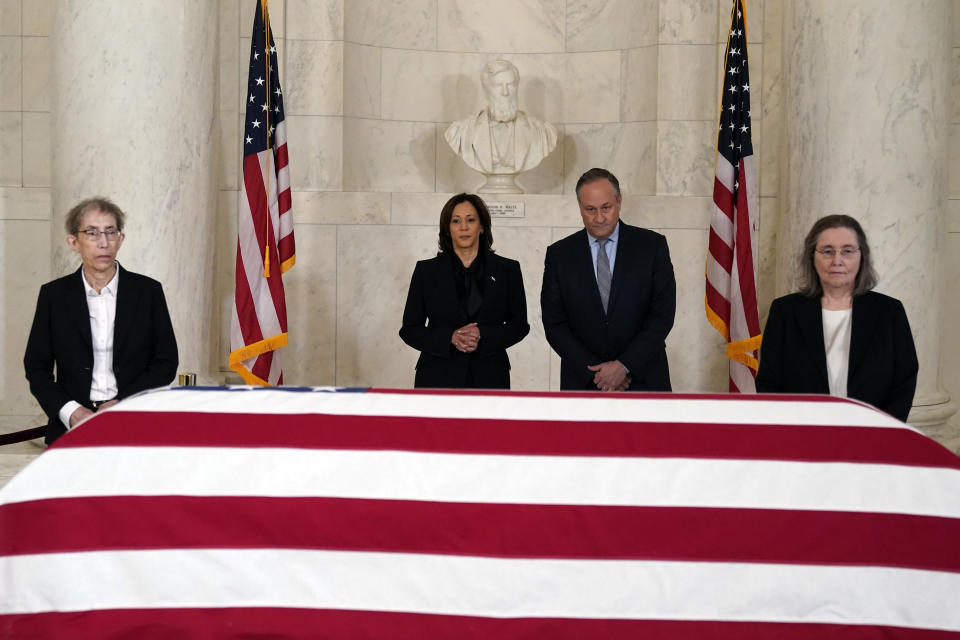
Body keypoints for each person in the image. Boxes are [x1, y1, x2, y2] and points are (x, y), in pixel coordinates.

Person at [23, 197, 178, 444]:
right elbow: (36, 367)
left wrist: (122, 403)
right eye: (92, 233)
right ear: (74, 242)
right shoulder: (54, 295)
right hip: (70, 428)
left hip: (135, 421)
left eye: (110, 232)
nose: (103, 242)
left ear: (121, 239)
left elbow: (166, 363)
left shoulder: (147, 291)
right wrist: (71, 411)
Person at [756, 215, 918, 422]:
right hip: (803, 436)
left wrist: (883, 430)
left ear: (862, 257)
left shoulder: (889, 312)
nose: (837, 261)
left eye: (847, 251)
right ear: (812, 257)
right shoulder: (785, 311)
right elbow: (769, 383)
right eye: (827, 251)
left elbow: (904, 381)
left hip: (873, 436)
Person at [541, 168, 676, 392]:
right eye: (590, 209)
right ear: (580, 208)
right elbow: (555, 324)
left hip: (644, 380)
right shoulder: (560, 254)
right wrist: (599, 374)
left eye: (606, 208)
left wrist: (624, 366)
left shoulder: (652, 246)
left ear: (619, 201)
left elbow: (662, 315)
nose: (599, 218)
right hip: (584, 383)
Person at [400, 193, 529, 388]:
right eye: (455, 221)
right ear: (447, 228)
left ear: (482, 226)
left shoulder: (507, 270)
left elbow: (519, 325)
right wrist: (449, 338)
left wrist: (482, 335)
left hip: (490, 377)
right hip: (436, 377)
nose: (464, 227)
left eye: (470, 219)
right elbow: (410, 329)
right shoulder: (426, 271)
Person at [444, 59, 558, 175]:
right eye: (498, 86)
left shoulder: (542, 131)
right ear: (486, 90)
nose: (505, 92)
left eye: (511, 85)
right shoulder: (461, 131)